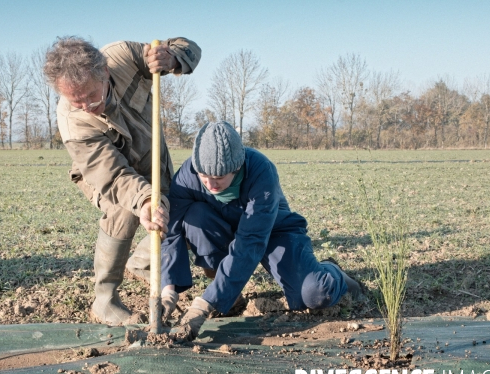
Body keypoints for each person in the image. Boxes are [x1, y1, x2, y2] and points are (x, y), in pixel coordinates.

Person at [43, 36, 201, 325]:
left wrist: (172, 58)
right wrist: (142, 200)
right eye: (76, 101)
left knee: (173, 208)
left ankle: (141, 262)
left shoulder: (123, 57)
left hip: (152, 156)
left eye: (91, 96)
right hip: (105, 173)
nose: (87, 107)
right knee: (123, 211)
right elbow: (113, 176)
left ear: (104, 72)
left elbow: (187, 47)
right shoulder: (73, 122)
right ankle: (105, 300)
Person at [161, 121, 366, 341]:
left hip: (272, 231)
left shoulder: (260, 171)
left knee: (315, 294)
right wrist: (167, 289)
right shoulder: (187, 175)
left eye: (219, 178)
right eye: (204, 176)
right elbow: (171, 232)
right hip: (222, 228)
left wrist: (204, 304)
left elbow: (250, 242)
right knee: (194, 217)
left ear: (237, 167)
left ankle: (332, 272)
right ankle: (229, 295)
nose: (211, 184)